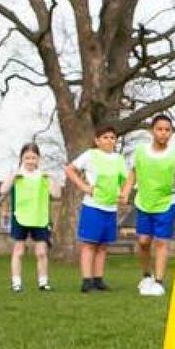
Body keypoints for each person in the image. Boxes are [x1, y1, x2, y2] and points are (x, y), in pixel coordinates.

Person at [121, 114, 175, 297]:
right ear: (152, 131)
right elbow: (133, 173)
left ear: (171, 133)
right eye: (160, 129)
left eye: (167, 130)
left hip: (166, 203)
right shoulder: (140, 151)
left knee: (161, 242)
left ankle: (158, 282)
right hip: (144, 202)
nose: (163, 133)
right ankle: (146, 276)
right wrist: (126, 191)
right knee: (143, 242)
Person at [65, 125, 128, 293]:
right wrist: (84, 187)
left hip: (110, 207)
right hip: (93, 206)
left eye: (112, 138)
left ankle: (98, 279)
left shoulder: (119, 159)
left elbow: (125, 181)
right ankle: (87, 281)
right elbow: (70, 170)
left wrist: (123, 194)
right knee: (89, 244)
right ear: (97, 140)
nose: (109, 140)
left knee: (103, 246)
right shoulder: (90, 155)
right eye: (105, 137)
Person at [0, 142, 61, 293]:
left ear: (38, 159)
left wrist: (53, 178)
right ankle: (16, 283)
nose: (30, 161)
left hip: (40, 218)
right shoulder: (17, 175)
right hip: (20, 216)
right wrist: (12, 176)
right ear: (21, 158)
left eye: (34, 157)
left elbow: (56, 194)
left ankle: (43, 282)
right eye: (27, 157)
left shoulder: (43, 176)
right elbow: (2, 190)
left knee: (41, 252)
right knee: (19, 251)